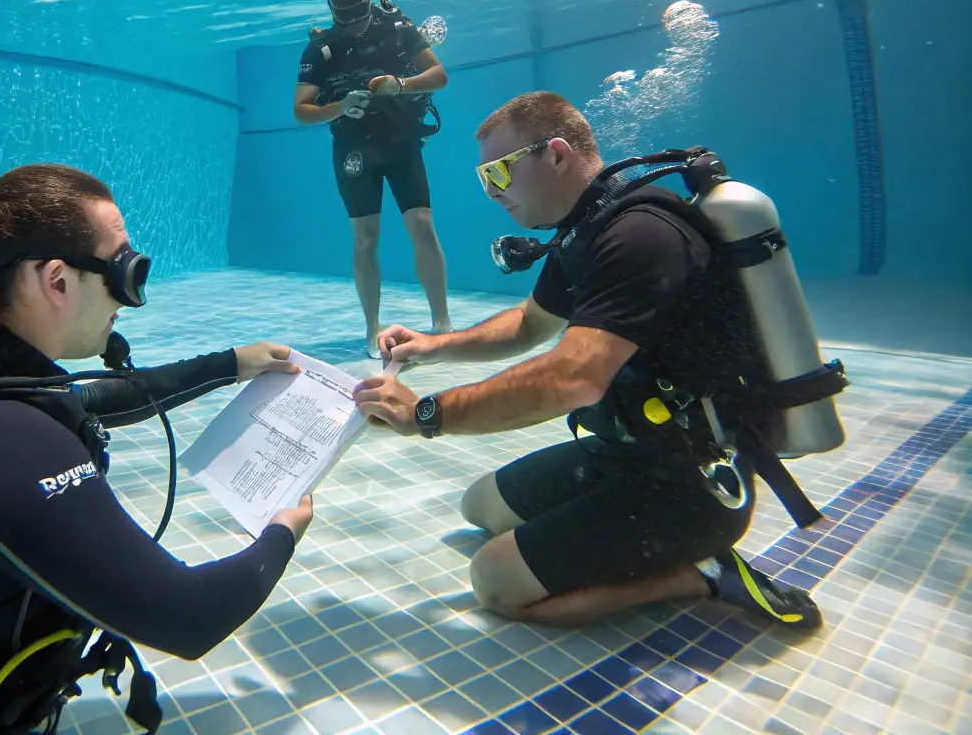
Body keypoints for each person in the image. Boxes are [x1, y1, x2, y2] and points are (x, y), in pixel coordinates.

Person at [0, 163, 314, 734]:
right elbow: (189, 617)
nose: (132, 298)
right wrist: (282, 528)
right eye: (125, 272)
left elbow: (85, 400)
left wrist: (230, 364)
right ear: (57, 281)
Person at [350, 92, 826, 630]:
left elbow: (572, 379)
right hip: (636, 450)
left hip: (694, 484)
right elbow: (530, 322)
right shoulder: (587, 230)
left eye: (499, 174)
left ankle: (708, 575)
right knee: (481, 507)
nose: (492, 193)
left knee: (498, 582)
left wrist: (426, 415)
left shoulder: (638, 235)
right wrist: (435, 345)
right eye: (484, 180)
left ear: (555, 154)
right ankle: (614, 536)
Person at [293, 0, 452, 358]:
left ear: (368, 7)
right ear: (333, 13)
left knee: (422, 225)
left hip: (402, 142)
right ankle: (370, 331)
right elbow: (301, 111)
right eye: (343, 22)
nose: (352, 30)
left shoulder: (398, 28)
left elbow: (438, 76)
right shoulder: (321, 49)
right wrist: (340, 106)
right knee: (365, 240)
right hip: (353, 149)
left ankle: (442, 324)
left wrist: (400, 83)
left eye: (358, 20)